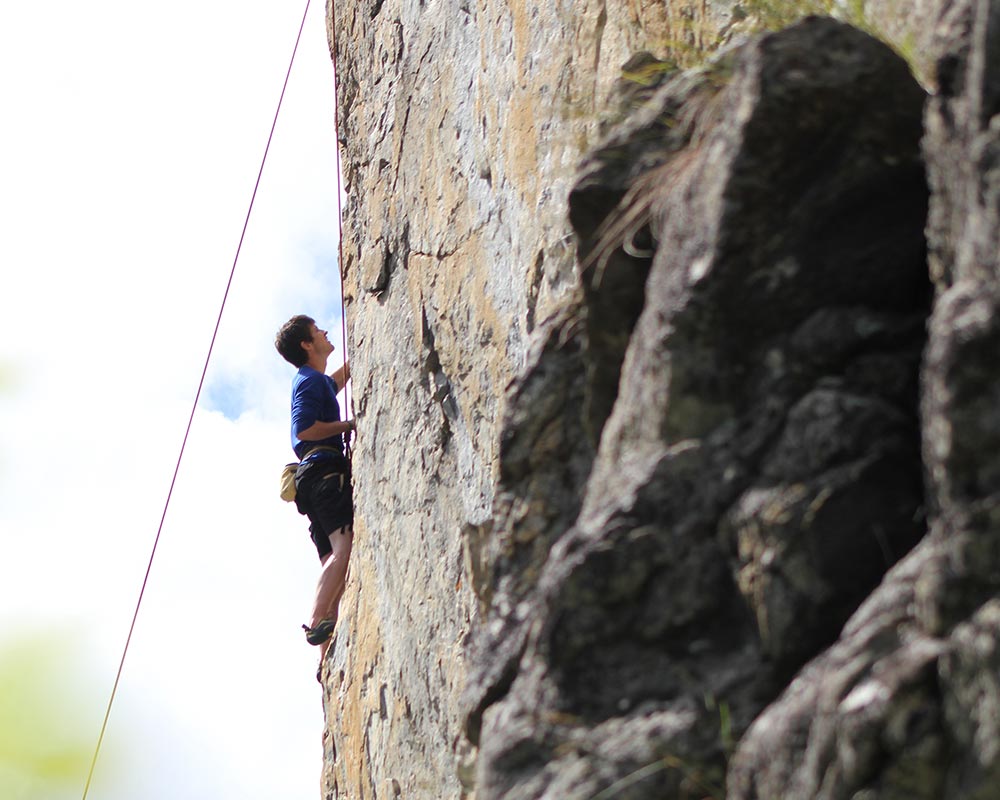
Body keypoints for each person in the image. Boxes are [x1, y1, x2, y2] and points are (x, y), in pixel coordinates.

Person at [274, 314, 355, 666]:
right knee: (343, 548)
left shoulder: (313, 380)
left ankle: (326, 662)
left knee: (331, 565)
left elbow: (327, 390)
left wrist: (352, 366)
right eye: (317, 331)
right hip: (323, 472)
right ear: (307, 345)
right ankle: (316, 622)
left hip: (313, 481)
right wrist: (349, 424)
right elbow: (305, 428)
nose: (324, 331)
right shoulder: (308, 381)